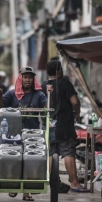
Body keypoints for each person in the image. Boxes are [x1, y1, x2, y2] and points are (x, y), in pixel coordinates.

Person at [0, 66, 52, 201]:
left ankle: (27, 191)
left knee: (29, 159)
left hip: (32, 134)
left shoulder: (39, 95)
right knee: (14, 158)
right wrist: (0, 95)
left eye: (30, 77)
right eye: (25, 77)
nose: (27, 80)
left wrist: (50, 95)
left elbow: (46, 109)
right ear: (21, 78)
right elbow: (2, 106)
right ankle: (13, 186)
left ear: (33, 79)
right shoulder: (12, 93)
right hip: (13, 133)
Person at [42, 59, 89, 193]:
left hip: (49, 125)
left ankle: (49, 182)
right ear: (58, 71)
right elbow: (74, 101)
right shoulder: (64, 83)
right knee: (68, 152)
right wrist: (77, 113)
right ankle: (74, 183)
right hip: (64, 125)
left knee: (51, 153)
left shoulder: (44, 85)